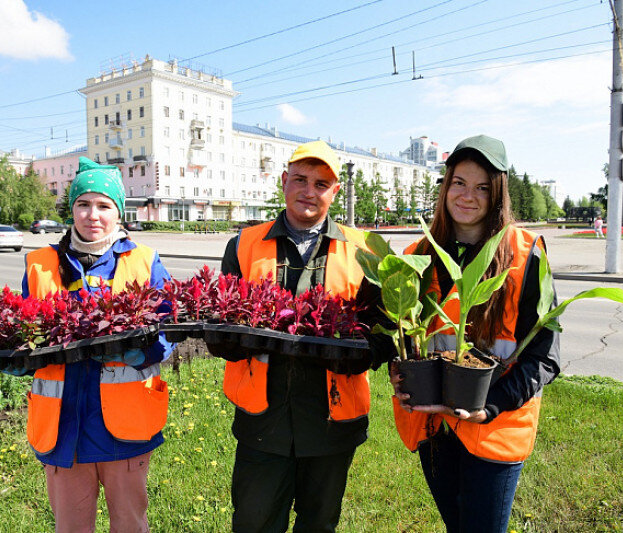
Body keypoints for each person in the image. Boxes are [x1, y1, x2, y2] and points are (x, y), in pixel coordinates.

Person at [389, 135, 561, 533]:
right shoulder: (419, 255)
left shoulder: (526, 254)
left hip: (495, 428)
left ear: (498, 193)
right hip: (436, 426)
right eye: (459, 183)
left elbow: (545, 357)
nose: (468, 196)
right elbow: (399, 336)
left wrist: (491, 406)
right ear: (445, 186)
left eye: (482, 187)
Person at [13, 156, 174, 532]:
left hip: (125, 426)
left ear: (119, 212)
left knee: (130, 524)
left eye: (104, 205)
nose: (92, 215)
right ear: (71, 210)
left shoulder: (144, 261)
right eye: (83, 204)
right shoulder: (39, 264)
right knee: (70, 527)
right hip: (63, 427)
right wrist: (17, 357)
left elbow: (169, 330)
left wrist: (145, 351)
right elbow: (22, 329)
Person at [220, 140, 372, 532]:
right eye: (301, 179)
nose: (309, 190)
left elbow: (382, 335)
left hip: (331, 421)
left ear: (335, 192)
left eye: (322, 183)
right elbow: (221, 327)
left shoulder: (364, 250)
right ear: (283, 181)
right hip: (262, 420)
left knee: (318, 524)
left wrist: (355, 352)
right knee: (254, 522)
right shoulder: (243, 244)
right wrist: (232, 340)